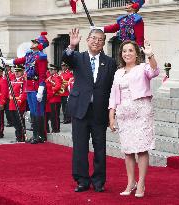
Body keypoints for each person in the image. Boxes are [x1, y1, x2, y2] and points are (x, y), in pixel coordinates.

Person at [62, 28, 117, 192]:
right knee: (80, 147)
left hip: (100, 110)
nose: (96, 42)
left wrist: (112, 112)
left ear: (104, 42)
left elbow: (113, 87)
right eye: (94, 38)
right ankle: (82, 180)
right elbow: (66, 58)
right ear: (87, 40)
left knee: (100, 147)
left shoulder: (110, 62)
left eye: (100, 39)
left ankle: (99, 181)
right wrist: (71, 46)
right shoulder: (78, 57)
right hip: (80, 109)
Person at [108, 40, 159, 198]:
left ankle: (141, 183)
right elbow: (113, 96)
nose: (127, 54)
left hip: (141, 111)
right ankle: (131, 182)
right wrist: (111, 115)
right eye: (124, 51)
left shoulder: (143, 67)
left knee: (141, 149)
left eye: (130, 50)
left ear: (137, 53)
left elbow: (155, 71)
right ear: (121, 54)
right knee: (128, 150)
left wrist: (150, 54)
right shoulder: (118, 72)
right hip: (124, 113)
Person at [1, 32, 49, 144]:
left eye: (35, 42)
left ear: (40, 45)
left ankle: (40, 136)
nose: (32, 43)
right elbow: (19, 60)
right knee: (32, 112)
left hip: (37, 87)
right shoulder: (29, 54)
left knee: (38, 112)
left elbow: (42, 75)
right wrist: (7, 61)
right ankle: (35, 135)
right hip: (29, 87)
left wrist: (41, 90)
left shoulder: (41, 57)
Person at [9, 65, 27, 142]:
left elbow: (24, 92)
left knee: (20, 122)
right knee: (15, 122)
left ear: (22, 72)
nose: (16, 73)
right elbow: (9, 91)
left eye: (18, 71)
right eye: (16, 71)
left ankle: (21, 137)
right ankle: (18, 137)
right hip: (12, 103)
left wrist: (20, 101)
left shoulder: (24, 81)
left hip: (19, 104)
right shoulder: (13, 80)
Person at [45, 64, 62, 133]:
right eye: (50, 69)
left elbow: (58, 87)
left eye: (51, 70)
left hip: (55, 98)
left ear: (56, 71)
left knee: (54, 115)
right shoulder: (50, 77)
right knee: (50, 115)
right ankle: (53, 129)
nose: (50, 71)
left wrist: (50, 93)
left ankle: (56, 129)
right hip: (49, 98)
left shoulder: (57, 77)